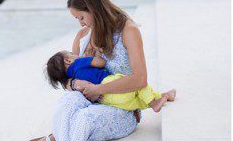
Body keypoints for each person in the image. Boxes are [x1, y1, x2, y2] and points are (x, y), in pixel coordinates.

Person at [24, 0, 155, 141]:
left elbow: (140, 80)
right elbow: (70, 78)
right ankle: (60, 136)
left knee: (84, 118)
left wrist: (98, 90)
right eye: (77, 18)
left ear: (93, 9)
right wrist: (76, 83)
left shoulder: (129, 31)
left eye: (81, 17)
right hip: (92, 100)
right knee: (68, 101)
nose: (81, 23)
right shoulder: (84, 35)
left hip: (122, 108)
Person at [45, 48, 175, 112]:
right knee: (136, 83)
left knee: (135, 101)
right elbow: (101, 63)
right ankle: (154, 104)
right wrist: (93, 56)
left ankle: (162, 96)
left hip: (105, 99)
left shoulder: (73, 81)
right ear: (68, 60)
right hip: (108, 83)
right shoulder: (79, 62)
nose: (75, 55)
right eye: (71, 54)